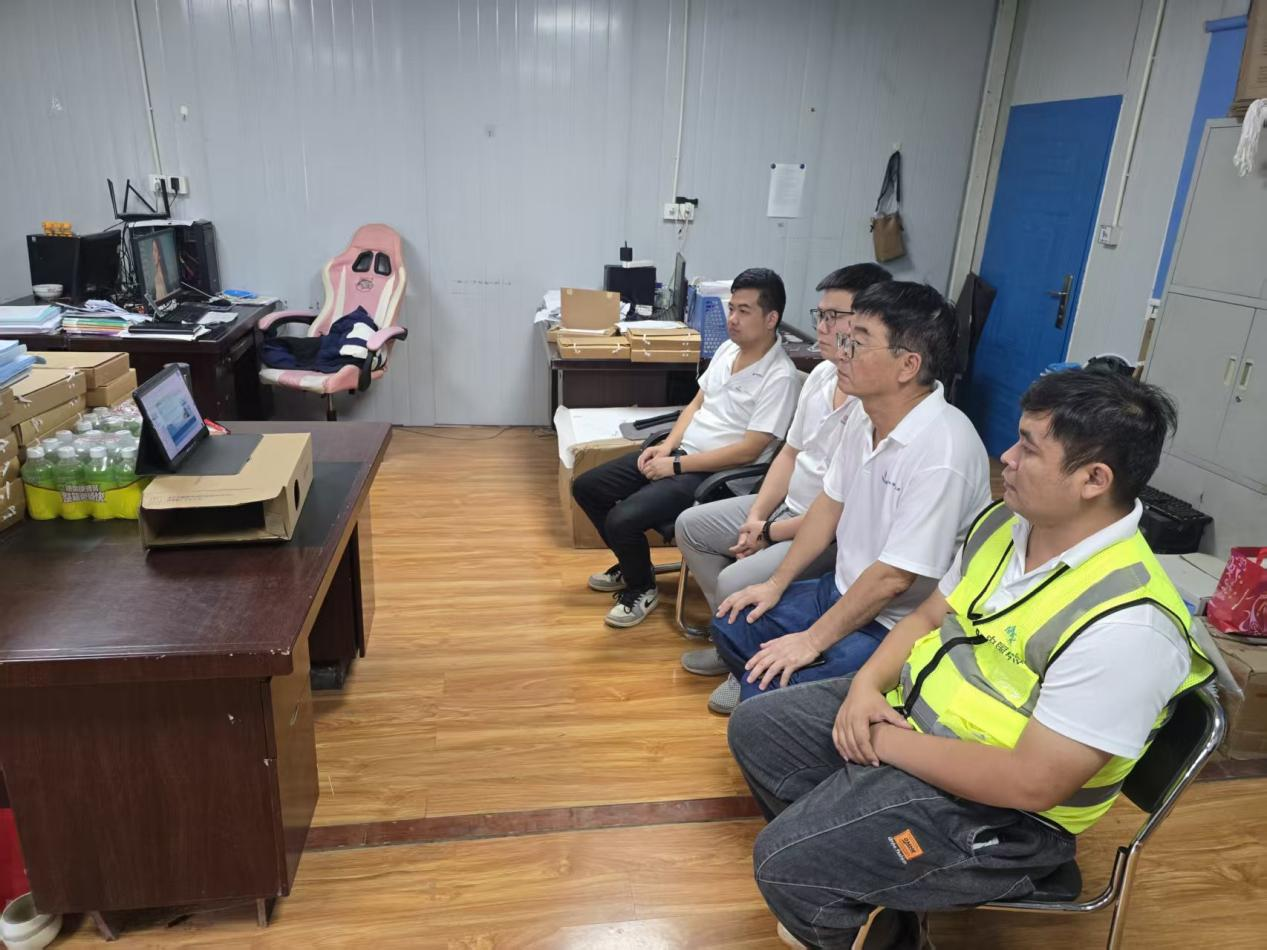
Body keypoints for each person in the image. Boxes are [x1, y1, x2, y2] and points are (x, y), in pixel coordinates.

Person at [728, 369, 1214, 949]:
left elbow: (1032, 783)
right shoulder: (1006, 524)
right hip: (915, 723)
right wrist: (864, 690)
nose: (1006, 457)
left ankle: (894, 904)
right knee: (759, 728)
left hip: (1009, 813)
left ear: (1093, 479)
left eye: (1028, 447)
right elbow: (926, 618)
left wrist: (880, 741)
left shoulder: (1130, 625)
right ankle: (873, 885)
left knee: (788, 864)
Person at [708, 282, 990, 714]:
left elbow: (894, 579)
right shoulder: (864, 415)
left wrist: (811, 640)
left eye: (856, 344)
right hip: (838, 589)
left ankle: (779, 697)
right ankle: (775, 688)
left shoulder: (944, 450)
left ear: (908, 365)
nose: (841, 353)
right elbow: (828, 506)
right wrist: (775, 583)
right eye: (845, 339)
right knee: (731, 622)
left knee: (768, 699)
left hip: (892, 622)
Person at [675, 263, 891, 709]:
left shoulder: (874, 402)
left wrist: (769, 532)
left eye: (835, 317)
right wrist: (756, 516)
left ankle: (745, 662)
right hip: (784, 509)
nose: (822, 327)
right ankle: (734, 637)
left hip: (824, 531)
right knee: (691, 527)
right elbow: (789, 454)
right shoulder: (823, 376)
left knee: (735, 579)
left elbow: (839, 510)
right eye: (820, 315)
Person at [573, 268, 801, 629]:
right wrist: (667, 447)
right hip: (681, 457)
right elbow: (696, 404)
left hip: (716, 476)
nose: (732, 319)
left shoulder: (780, 376)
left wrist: (677, 466)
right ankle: (634, 566)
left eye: (744, 311)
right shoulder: (728, 349)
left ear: (771, 318)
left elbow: (749, 450)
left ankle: (641, 587)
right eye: (731, 308)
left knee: (622, 519)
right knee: (587, 487)